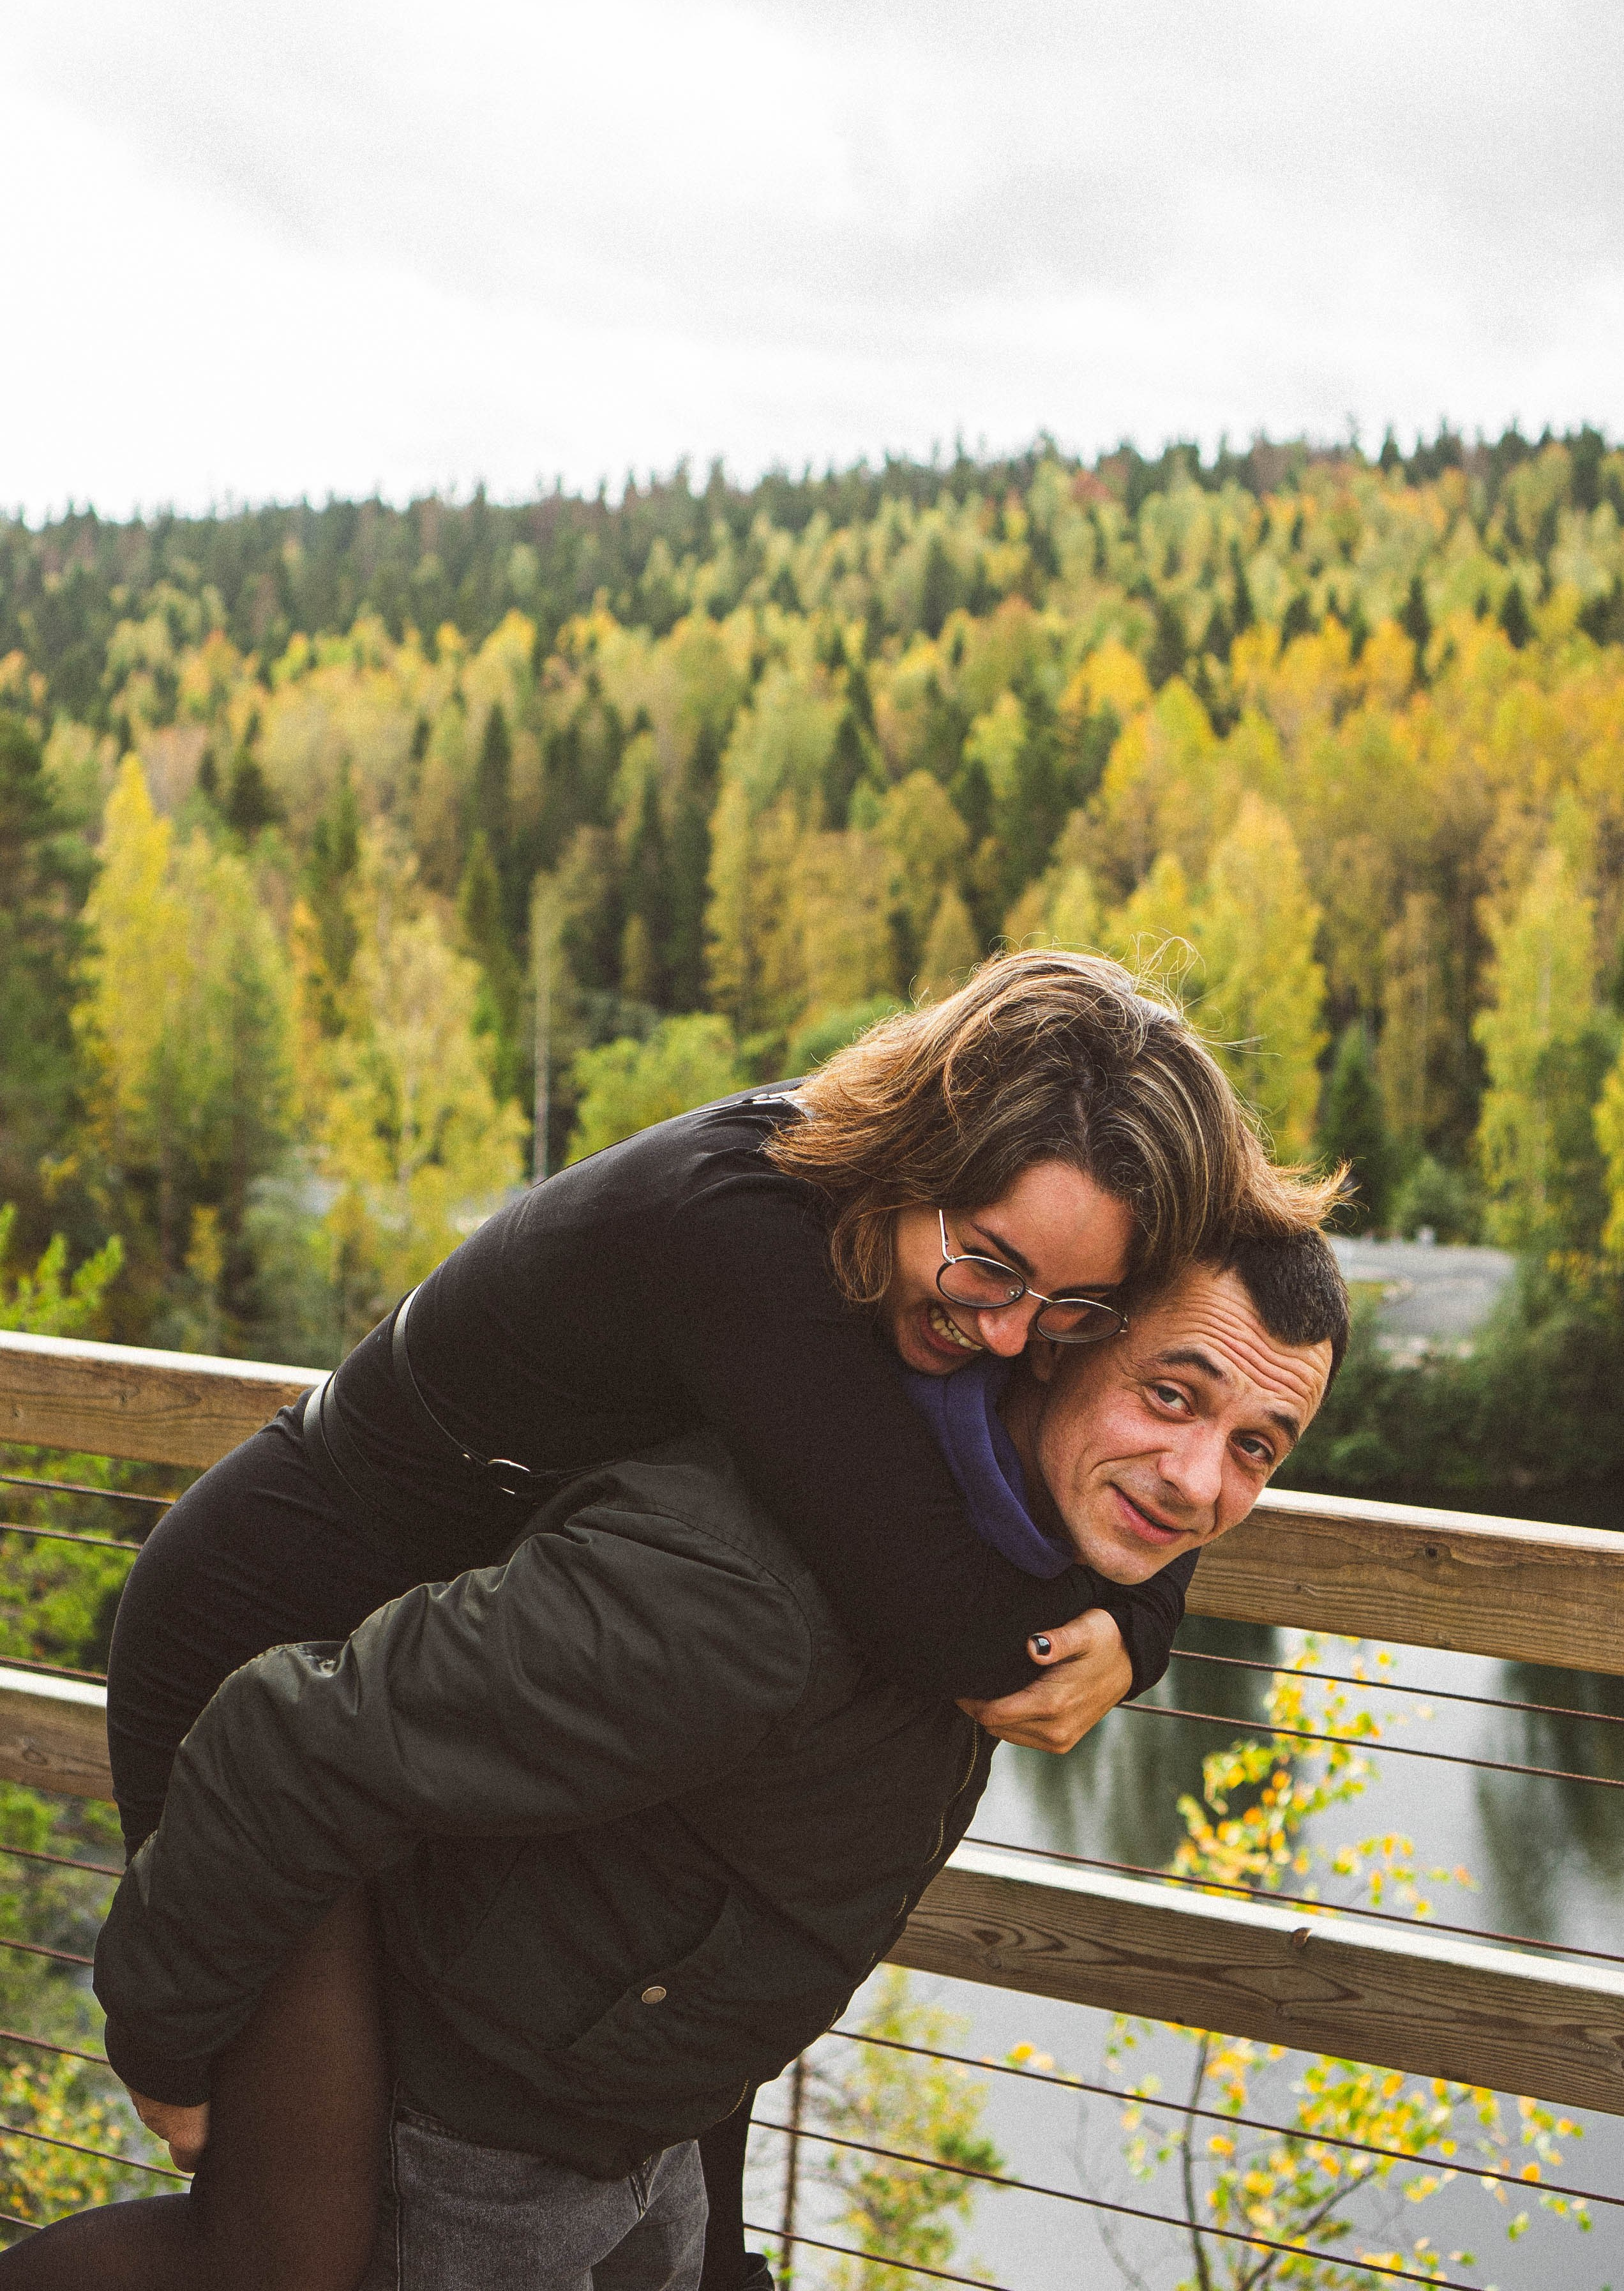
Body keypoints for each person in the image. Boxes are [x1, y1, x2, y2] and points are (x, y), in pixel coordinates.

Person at [7, 951, 1338, 2290]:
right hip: (271, 1621)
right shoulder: (742, 1237)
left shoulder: (925, 1285)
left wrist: (1150, 1580)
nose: (1011, 1337)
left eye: (1072, 1311)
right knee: (282, 2252)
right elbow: (952, 1626)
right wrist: (164, 2040)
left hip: (448, 1663)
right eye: (991, 1270)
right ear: (919, 1149)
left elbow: (1185, 1381)